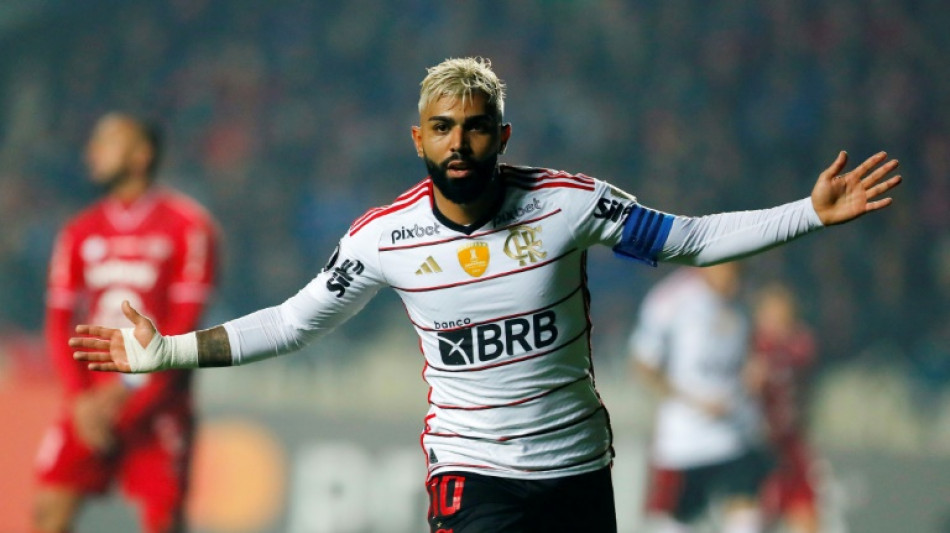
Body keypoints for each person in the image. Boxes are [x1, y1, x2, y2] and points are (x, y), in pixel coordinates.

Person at [68, 57, 901, 532]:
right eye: (443, 128)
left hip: (577, 467)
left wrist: (809, 213)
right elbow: (292, 322)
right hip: (473, 469)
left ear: (501, 135)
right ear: (419, 139)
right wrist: (168, 350)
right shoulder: (382, 239)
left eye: (474, 127)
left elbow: (689, 238)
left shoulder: (569, 203)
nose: (459, 142)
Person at [33, 112, 220, 533]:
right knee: (48, 512)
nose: (93, 152)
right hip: (89, 403)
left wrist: (128, 390)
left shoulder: (189, 227)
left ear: (141, 155)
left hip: (157, 400)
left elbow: (185, 324)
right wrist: (79, 400)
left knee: (163, 522)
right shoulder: (79, 231)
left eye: (107, 142)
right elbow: (59, 323)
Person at [629, 262, 771, 533]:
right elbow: (643, 365)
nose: (734, 281)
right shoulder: (670, 300)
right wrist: (692, 401)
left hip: (735, 433)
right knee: (677, 520)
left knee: (747, 512)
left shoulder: (744, 298)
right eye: (729, 270)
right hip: (685, 440)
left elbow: (754, 350)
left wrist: (753, 372)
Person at [745, 282, 820, 533]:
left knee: (805, 516)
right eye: (771, 316)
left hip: (789, 448)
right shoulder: (746, 345)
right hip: (755, 451)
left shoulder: (799, 346)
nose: (777, 324)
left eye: (783, 317)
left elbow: (799, 358)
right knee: (752, 519)